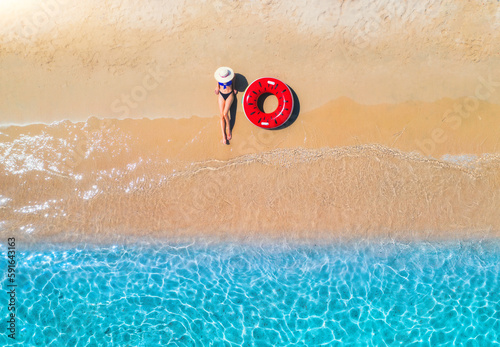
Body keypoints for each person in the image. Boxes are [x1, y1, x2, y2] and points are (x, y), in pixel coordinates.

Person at [214, 67, 237, 144]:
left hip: (229, 94)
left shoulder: (232, 76)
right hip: (221, 94)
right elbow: (218, 82)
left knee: (225, 113)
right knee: (221, 116)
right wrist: (217, 88)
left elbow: (233, 81)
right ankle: (224, 136)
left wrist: (234, 88)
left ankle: (229, 130)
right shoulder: (219, 77)